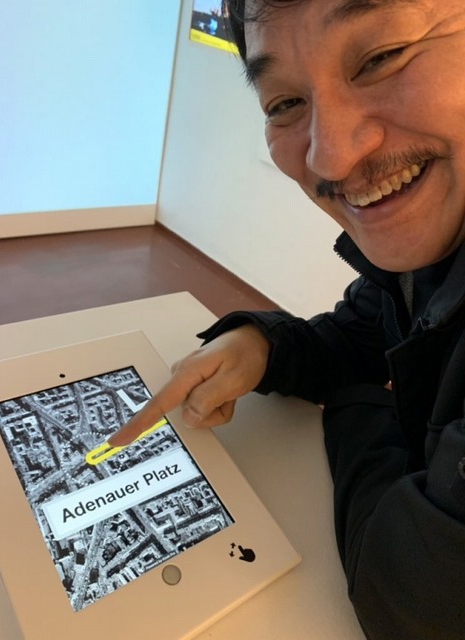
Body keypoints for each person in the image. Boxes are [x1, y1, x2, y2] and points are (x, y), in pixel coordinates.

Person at [110, 1, 465, 638]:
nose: (331, 158)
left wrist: (357, 403)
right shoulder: (430, 258)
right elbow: (362, 332)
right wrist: (263, 343)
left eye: (381, 58)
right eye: (285, 103)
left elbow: (413, 598)